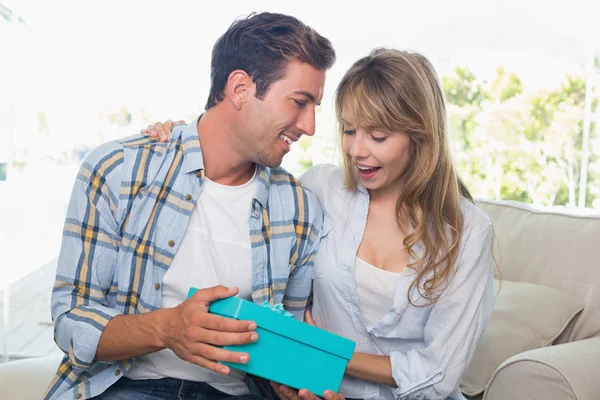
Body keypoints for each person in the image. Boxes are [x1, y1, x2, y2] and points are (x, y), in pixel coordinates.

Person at [147, 48, 496, 400]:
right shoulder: (320, 190)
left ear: (419, 136)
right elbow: (234, 173)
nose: (357, 150)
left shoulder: (468, 232)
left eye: (378, 137)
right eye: (349, 130)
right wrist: (183, 138)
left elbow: (439, 375)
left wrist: (325, 354)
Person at [44, 12, 341, 400]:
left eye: (315, 106)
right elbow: (71, 320)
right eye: (300, 103)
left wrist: (292, 383)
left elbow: (287, 340)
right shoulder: (118, 170)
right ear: (239, 88)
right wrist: (167, 329)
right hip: (126, 385)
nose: (310, 126)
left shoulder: (300, 209)